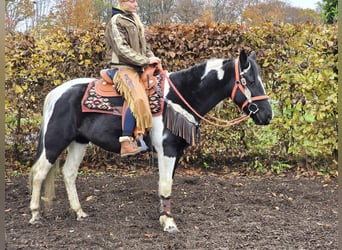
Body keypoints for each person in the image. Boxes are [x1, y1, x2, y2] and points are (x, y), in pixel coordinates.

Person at [100, 0, 161, 157]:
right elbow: (121, 49)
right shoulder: (116, 21)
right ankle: (126, 141)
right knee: (138, 98)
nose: (136, 4)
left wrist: (152, 58)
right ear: (122, 2)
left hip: (137, 67)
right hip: (122, 68)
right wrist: (145, 61)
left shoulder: (134, 19)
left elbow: (144, 47)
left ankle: (147, 138)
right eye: (132, 1)